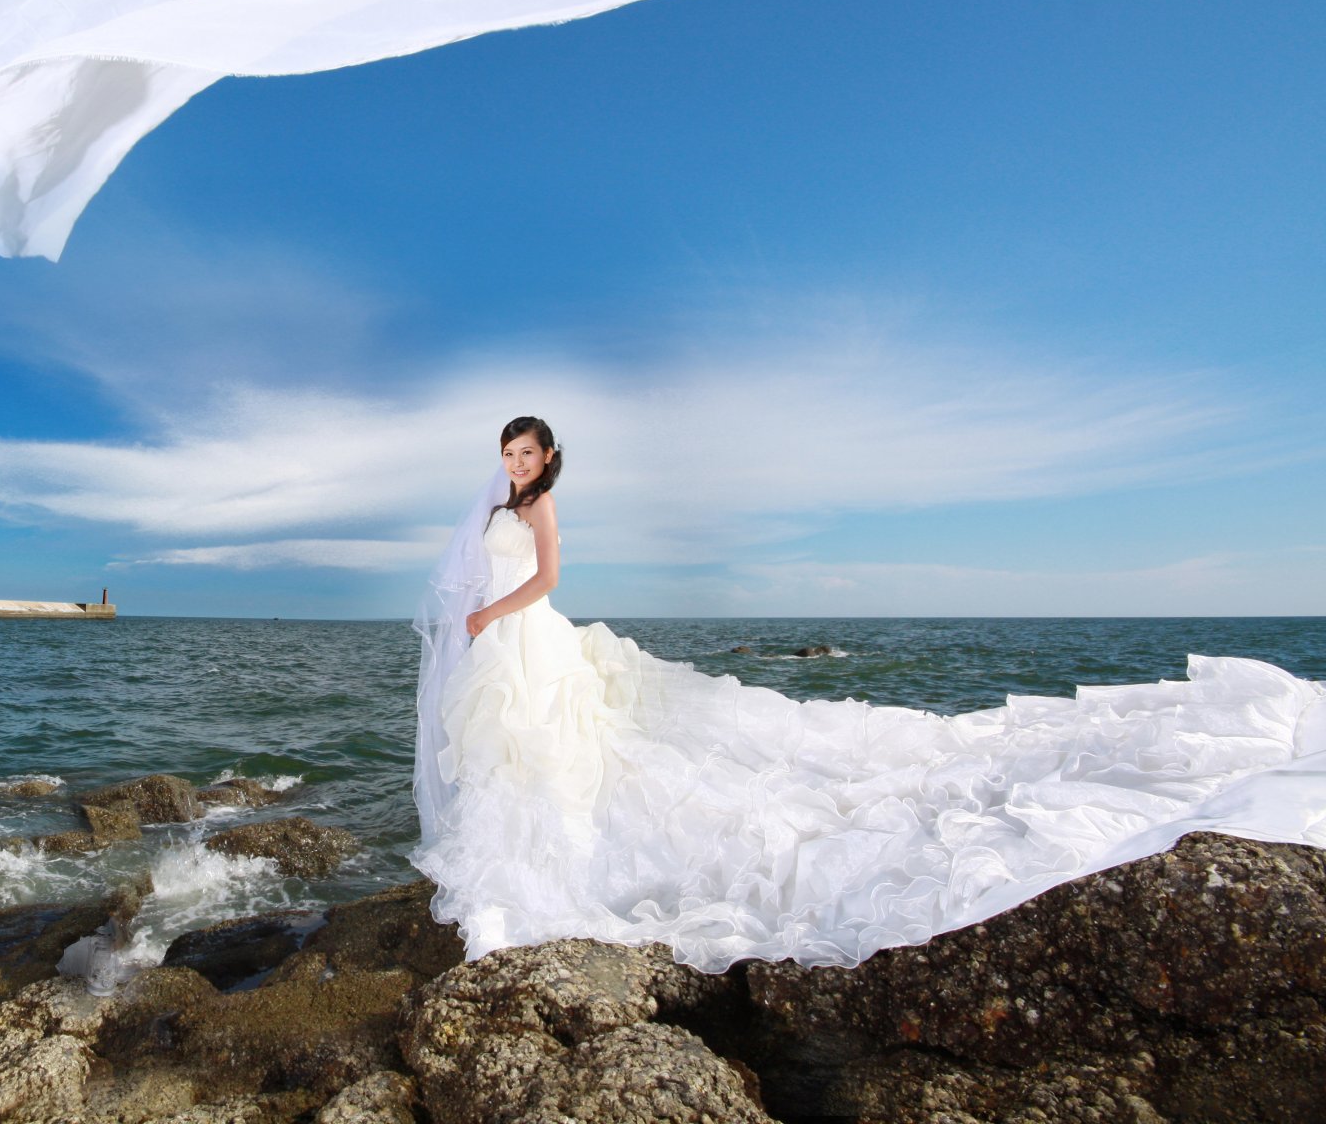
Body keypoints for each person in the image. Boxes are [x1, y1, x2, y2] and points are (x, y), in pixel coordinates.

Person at [408, 416, 1326, 971]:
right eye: (507, 454)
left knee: (542, 741)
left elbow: (552, 581)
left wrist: (491, 620)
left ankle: (546, 863)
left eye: (526, 452)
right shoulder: (496, 507)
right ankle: (507, 848)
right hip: (498, 638)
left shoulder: (540, 509)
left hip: (522, 635)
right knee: (508, 748)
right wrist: (477, 618)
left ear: (550, 455)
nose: (516, 463)